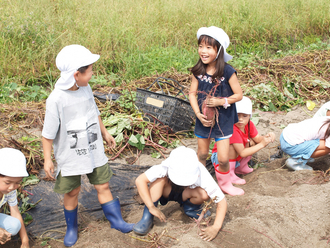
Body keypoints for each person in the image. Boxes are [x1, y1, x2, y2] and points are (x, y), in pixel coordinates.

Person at [42, 45, 134, 247]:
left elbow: (94, 112)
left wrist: (105, 132)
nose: (93, 73)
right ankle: (72, 228)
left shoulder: (86, 88)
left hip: (93, 148)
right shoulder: (56, 99)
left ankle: (116, 221)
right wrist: (48, 159)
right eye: (90, 70)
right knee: (72, 191)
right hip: (70, 154)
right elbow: (47, 135)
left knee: (103, 184)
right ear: (76, 74)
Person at [189, 26, 243, 196]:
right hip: (203, 118)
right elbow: (191, 94)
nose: (203, 51)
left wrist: (221, 101)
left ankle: (225, 183)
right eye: (200, 46)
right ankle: (200, 182)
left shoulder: (227, 71)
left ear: (218, 50)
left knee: (223, 158)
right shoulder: (198, 71)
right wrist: (198, 114)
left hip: (223, 119)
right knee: (202, 153)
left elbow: (239, 95)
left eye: (208, 47)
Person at [133, 146, 227, 241]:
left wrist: (216, 227)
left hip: (186, 194)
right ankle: (147, 217)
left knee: (204, 194)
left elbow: (221, 202)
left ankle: (191, 208)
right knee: (158, 180)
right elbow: (140, 180)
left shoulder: (201, 172)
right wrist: (151, 207)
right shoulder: (165, 166)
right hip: (167, 191)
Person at [211, 97, 275, 193]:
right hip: (220, 158)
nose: (240, 120)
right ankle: (230, 173)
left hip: (236, 155)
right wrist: (262, 144)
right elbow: (243, 153)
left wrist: (266, 137)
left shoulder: (249, 124)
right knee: (232, 146)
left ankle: (241, 167)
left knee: (252, 141)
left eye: (244, 116)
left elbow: (257, 138)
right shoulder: (232, 129)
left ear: (249, 116)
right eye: (237, 116)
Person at [0, 148, 29, 248]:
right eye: (7, 183)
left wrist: (25, 241)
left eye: (17, 182)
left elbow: (15, 213)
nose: (12, 187)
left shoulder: (10, 191)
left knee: (14, 225)